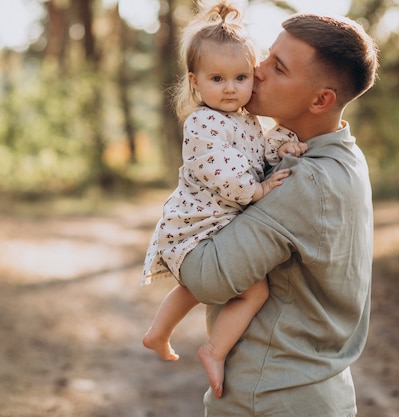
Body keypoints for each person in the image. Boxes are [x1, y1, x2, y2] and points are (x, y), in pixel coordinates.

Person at [178, 10, 379, 416]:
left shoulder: (303, 180)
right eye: (267, 57)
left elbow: (206, 278)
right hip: (318, 393)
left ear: (321, 99)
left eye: (278, 68)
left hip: (269, 396)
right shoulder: (345, 156)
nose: (257, 70)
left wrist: (187, 210)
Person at [141, 0, 307, 399]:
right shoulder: (202, 122)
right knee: (255, 291)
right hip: (197, 229)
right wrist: (259, 191)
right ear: (195, 82)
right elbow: (224, 174)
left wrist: (284, 142)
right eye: (217, 78)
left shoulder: (244, 120)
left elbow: (257, 153)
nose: (231, 88)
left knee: (196, 288)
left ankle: (157, 333)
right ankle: (214, 350)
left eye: (241, 77)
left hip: (212, 230)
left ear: (253, 77)